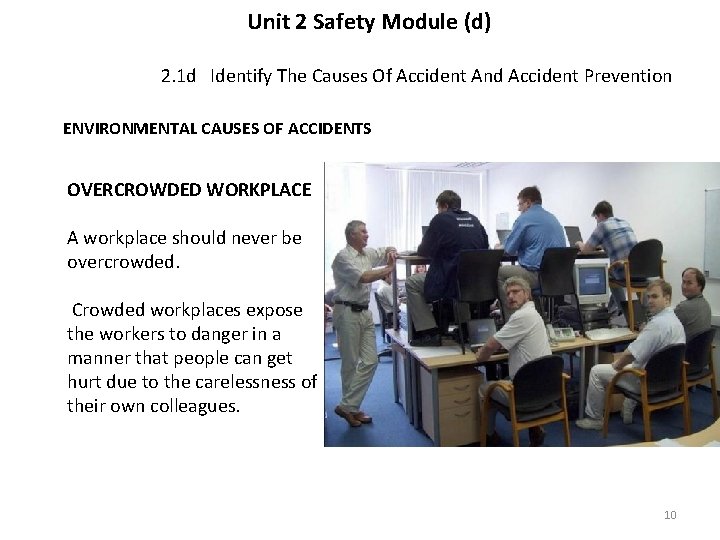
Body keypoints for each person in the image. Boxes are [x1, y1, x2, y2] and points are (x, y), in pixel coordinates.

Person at [576, 279, 685, 430]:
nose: (650, 301)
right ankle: (627, 408)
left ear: (667, 299)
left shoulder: (656, 325)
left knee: (596, 371)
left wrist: (616, 366)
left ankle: (595, 419)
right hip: (668, 381)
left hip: (646, 382)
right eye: (648, 297)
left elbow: (630, 354)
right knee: (638, 363)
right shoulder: (676, 322)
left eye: (655, 296)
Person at [331, 220, 397, 427]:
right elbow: (364, 277)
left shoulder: (367, 254)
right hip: (346, 312)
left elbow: (386, 249)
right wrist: (388, 267)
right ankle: (352, 409)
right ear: (352, 235)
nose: (367, 235)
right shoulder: (342, 257)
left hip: (364, 312)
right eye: (363, 232)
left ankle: (347, 406)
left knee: (370, 361)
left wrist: (392, 251)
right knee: (350, 364)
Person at [405, 190, 489, 346]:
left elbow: (424, 250)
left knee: (411, 283)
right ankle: (465, 329)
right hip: (475, 283)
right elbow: (485, 247)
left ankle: (429, 333)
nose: (438, 211)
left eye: (438, 208)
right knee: (460, 283)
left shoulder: (440, 219)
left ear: (444, 206)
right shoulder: (475, 220)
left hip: (451, 281)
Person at [476, 276, 552, 446]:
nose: (510, 296)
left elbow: (491, 345)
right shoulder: (535, 314)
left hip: (525, 396)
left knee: (484, 388)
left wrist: (480, 356)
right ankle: (534, 428)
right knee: (509, 380)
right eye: (508, 293)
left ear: (527, 294)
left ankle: (488, 436)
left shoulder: (521, 316)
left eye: (515, 291)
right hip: (546, 392)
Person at [497, 186, 566, 320]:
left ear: (528, 203)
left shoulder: (524, 219)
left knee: (499, 273)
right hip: (558, 277)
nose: (519, 209)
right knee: (522, 273)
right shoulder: (553, 218)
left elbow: (509, 250)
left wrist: (499, 246)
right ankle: (537, 319)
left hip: (537, 276)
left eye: (520, 204)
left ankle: (513, 321)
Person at [575, 200, 637, 317]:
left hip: (624, 272)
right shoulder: (624, 222)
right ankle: (614, 310)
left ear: (600, 215)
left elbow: (585, 250)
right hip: (640, 270)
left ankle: (622, 311)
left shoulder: (602, 226)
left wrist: (578, 243)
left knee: (607, 274)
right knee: (613, 275)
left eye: (596, 218)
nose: (596, 221)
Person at [675, 267, 711, 341]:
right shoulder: (706, 304)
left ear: (700, 286)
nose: (684, 286)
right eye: (683, 282)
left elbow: (665, 328)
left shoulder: (683, 308)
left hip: (685, 347)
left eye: (689, 283)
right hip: (701, 348)